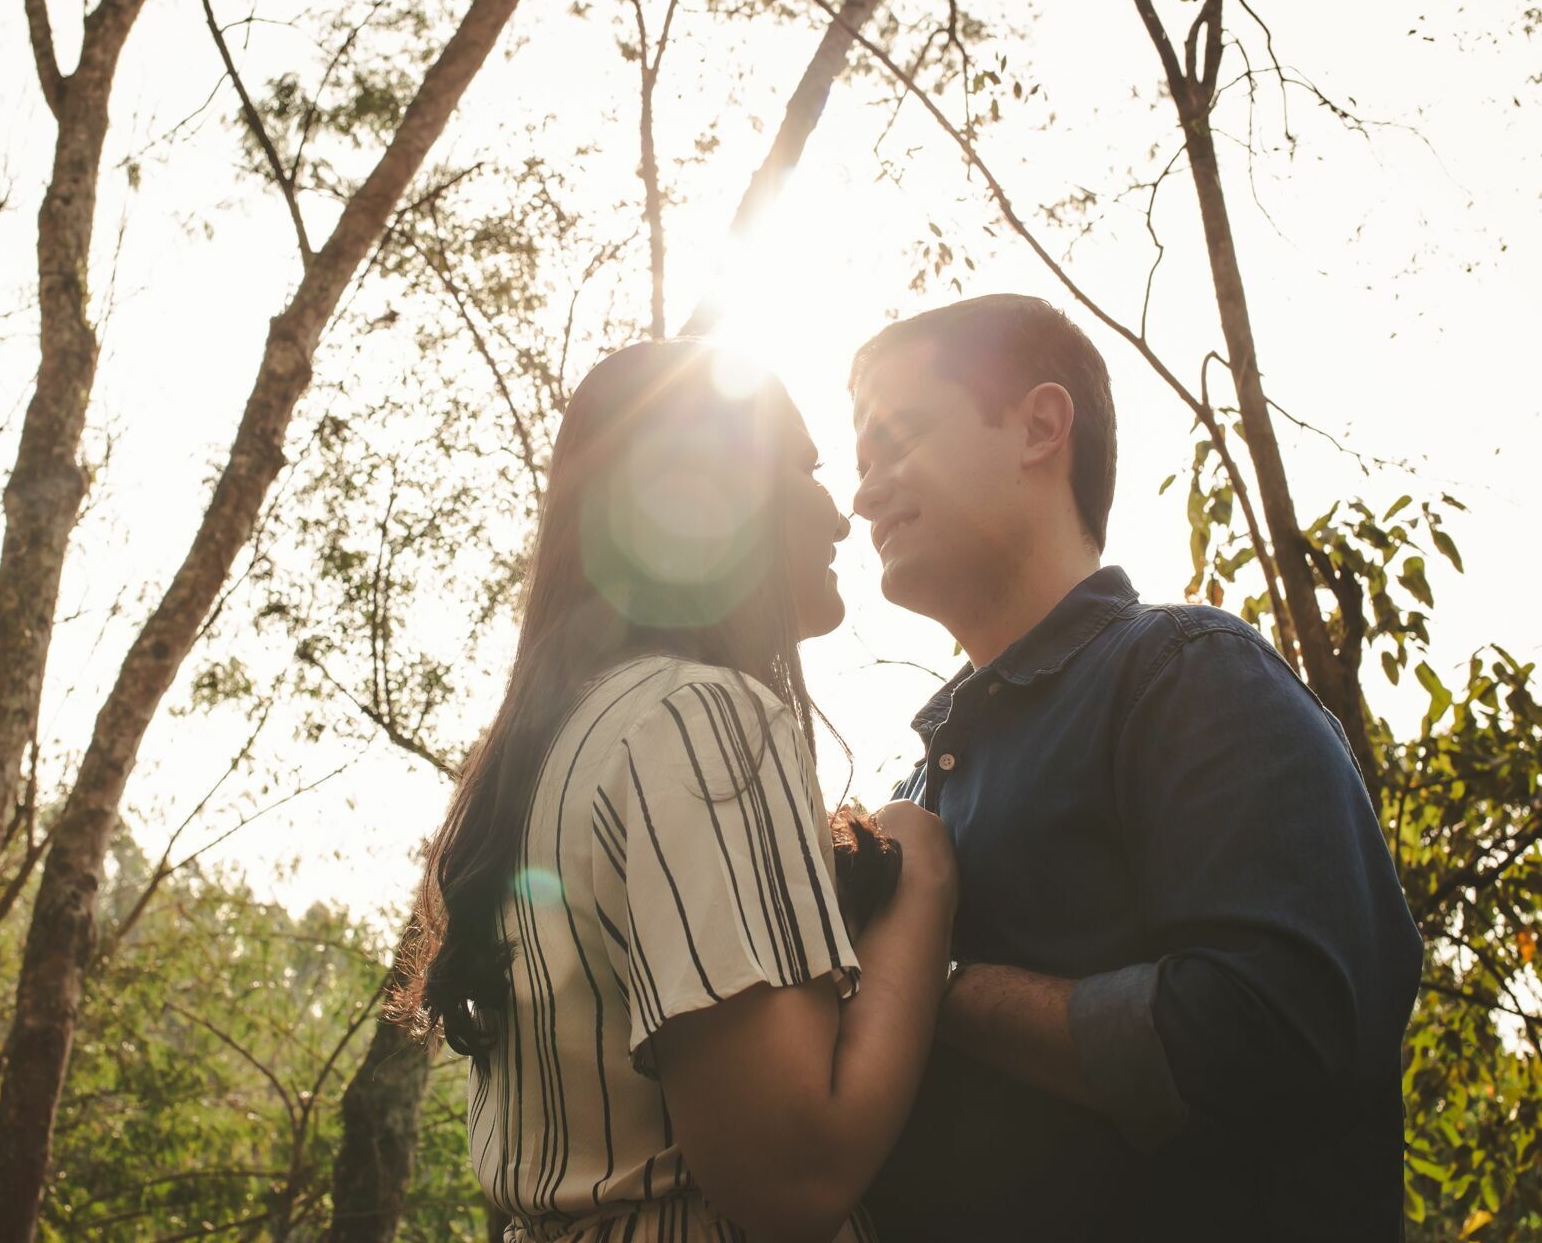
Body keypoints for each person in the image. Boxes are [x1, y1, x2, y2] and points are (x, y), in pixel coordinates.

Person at [847, 294, 1425, 1242]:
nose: (865, 491)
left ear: (1040, 427)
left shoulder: (1185, 671)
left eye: (899, 437)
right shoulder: (915, 791)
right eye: (861, 461)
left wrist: (932, 985)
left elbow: (1280, 1031)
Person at [395, 340, 958, 1242]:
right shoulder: (705, 720)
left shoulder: (556, 748)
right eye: (807, 470)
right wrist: (921, 879)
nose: (840, 515)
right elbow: (793, 1176)